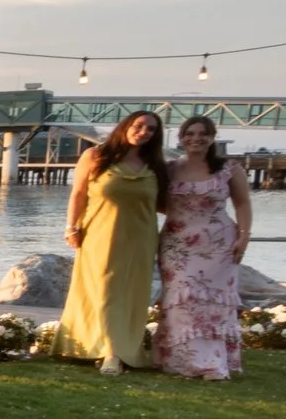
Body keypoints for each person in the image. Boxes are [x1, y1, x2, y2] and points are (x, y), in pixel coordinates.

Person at [56, 111, 167, 374]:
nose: (143, 132)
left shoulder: (155, 166)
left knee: (131, 296)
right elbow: (78, 193)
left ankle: (121, 349)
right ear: (125, 126)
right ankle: (108, 352)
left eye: (150, 129)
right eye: (138, 126)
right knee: (103, 293)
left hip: (141, 239)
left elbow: (165, 204)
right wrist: (71, 227)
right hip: (99, 236)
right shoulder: (95, 156)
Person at [155, 115, 250, 380]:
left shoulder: (229, 168)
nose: (196, 138)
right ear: (181, 137)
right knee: (180, 300)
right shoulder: (170, 169)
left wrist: (244, 236)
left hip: (219, 244)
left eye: (203, 133)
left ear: (212, 137)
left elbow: (242, 204)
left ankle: (212, 363)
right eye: (190, 133)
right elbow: (157, 203)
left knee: (213, 303)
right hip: (177, 243)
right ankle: (181, 360)